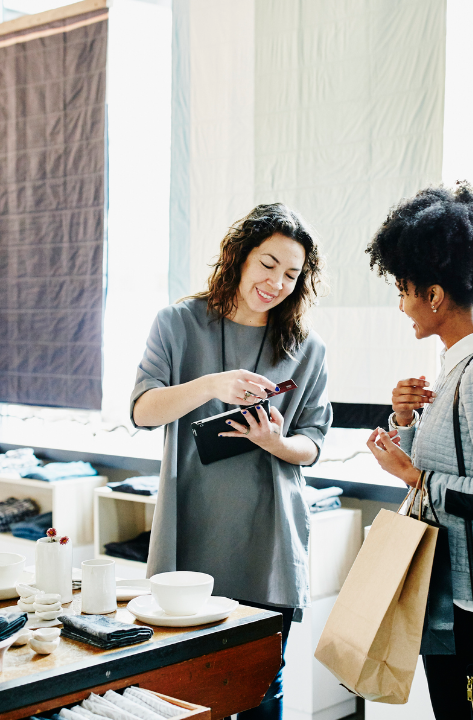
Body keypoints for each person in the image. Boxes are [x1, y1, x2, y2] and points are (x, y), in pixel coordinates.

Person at [131, 203, 332, 720]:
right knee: (183, 694)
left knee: (263, 693)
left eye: (292, 274)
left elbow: (312, 442)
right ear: (239, 257)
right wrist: (211, 386)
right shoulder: (178, 324)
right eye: (268, 264)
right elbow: (142, 411)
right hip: (191, 539)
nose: (277, 282)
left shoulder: (307, 349)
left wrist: (275, 443)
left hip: (269, 546)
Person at [362, 183, 473, 720]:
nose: (401, 303)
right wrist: (405, 422)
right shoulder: (459, 365)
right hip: (456, 594)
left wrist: (413, 475)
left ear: (434, 295)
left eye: (403, 288)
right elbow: (455, 467)